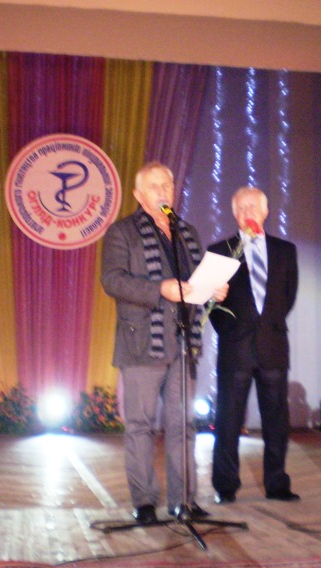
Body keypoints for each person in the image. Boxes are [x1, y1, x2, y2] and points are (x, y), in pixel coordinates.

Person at [100, 161, 228, 524]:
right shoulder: (122, 232)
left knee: (182, 425)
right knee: (140, 425)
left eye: (167, 186)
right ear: (138, 195)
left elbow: (194, 284)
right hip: (142, 342)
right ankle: (144, 501)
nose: (162, 192)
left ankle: (183, 499)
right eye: (154, 186)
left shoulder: (186, 232)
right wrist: (160, 289)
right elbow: (112, 280)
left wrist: (213, 290)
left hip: (183, 342)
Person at [208, 186, 300, 504]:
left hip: (273, 346)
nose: (249, 211)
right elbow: (211, 303)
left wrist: (268, 325)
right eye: (243, 207)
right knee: (228, 419)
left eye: (254, 206)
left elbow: (287, 296)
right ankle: (225, 485)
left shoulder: (285, 251)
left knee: (276, 420)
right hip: (236, 348)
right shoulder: (220, 251)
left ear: (266, 211)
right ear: (235, 214)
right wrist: (231, 331)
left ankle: (277, 484)